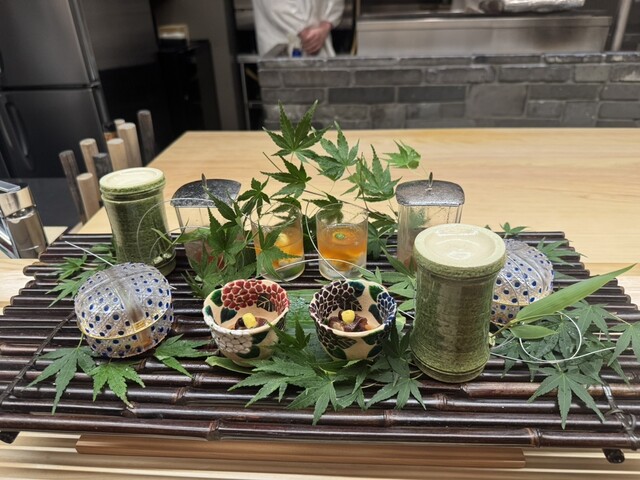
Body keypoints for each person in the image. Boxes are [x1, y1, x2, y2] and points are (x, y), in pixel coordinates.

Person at [252, 0, 344, 57]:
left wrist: (326, 26)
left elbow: (336, 3)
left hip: (320, 43)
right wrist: (305, 32)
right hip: (281, 42)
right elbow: (276, 6)